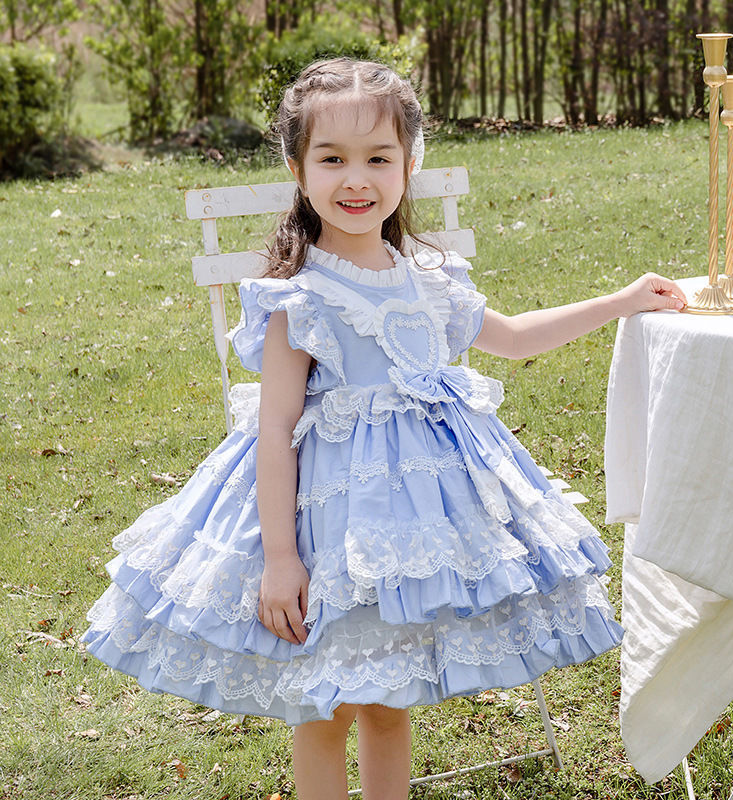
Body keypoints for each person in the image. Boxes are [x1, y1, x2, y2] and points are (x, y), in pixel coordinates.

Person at [82, 58, 687, 800]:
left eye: (378, 158)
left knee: (389, 704)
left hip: (416, 531)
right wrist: (280, 559)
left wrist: (621, 300)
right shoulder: (298, 300)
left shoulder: (429, 279)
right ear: (299, 171)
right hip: (326, 528)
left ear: (409, 165)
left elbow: (517, 336)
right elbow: (273, 432)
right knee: (325, 706)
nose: (356, 179)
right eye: (332, 159)